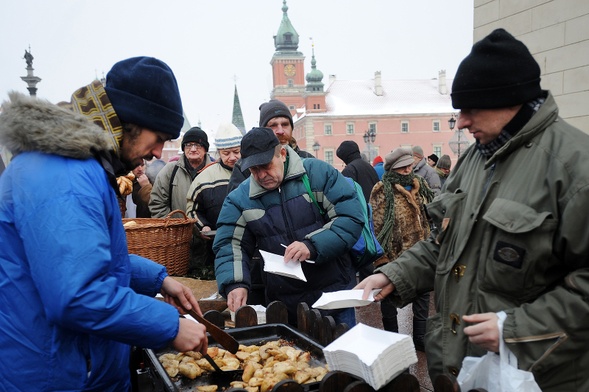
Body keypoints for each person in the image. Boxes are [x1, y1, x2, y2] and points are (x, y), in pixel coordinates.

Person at [356, 28, 589, 391]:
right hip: (463, 368)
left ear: (510, 99)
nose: (461, 122)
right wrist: (395, 275)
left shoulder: (575, 169)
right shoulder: (474, 162)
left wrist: (517, 330)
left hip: (535, 375)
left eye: (470, 109)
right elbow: (441, 243)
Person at [0, 56, 207, 390]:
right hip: (58, 374)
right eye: (158, 136)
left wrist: (157, 279)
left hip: (73, 366)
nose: (157, 152)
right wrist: (170, 325)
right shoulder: (64, 173)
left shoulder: (75, 164)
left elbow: (83, 261)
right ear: (129, 121)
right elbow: (76, 295)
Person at [214, 127, 364, 326]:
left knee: (343, 354)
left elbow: (349, 217)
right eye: (253, 169)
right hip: (285, 302)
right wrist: (235, 283)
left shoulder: (318, 173)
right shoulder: (239, 199)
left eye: (265, 165)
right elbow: (230, 244)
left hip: (333, 294)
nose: (260, 175)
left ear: (282, 154)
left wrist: (312, 246)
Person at [370, 148, 434, 351]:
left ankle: (420, 338)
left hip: (421, 251)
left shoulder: (420, 184)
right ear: (392, 168)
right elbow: (378, 226)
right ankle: (391, 340)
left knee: (423, 297)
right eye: (402, 167)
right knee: (389, 299)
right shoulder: (382, 189)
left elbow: (426, 218)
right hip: (396, 255)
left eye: (409, 165)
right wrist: (383, 259)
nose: (407, 170)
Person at [186, 122, 242, 278]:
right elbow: (192, 210)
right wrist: (202, 226)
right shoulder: (204, 178)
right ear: (218, 152)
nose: (232, 157)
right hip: (215, 248)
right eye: (226, 153)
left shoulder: (253, 172)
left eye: (236, 152)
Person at [227, 99, 313, 193]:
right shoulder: (244, 168)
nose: (280, 131)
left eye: (285, 124)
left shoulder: (308, 160)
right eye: (273, 125)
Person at [149, 127, 214, 218]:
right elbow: (157, 203)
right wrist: (172, 227)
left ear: (205, 149)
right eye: (188, 145)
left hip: (208, 231)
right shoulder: (170, 170)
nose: (193, 149)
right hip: (176, 230)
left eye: (198, 145)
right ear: (183, 148)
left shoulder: (214, 171)